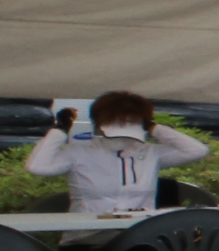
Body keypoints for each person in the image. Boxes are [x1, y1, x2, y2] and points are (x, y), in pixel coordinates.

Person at [22, 93, 206, 218]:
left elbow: (197, 150)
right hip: (89, 236)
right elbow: (37, 167)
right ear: (98, 123)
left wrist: (154, 128)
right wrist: (60, 131)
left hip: (139, 236)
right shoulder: (78, 152)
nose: (123, 126)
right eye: (114, 120)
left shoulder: (151, 152)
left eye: (132, 121)